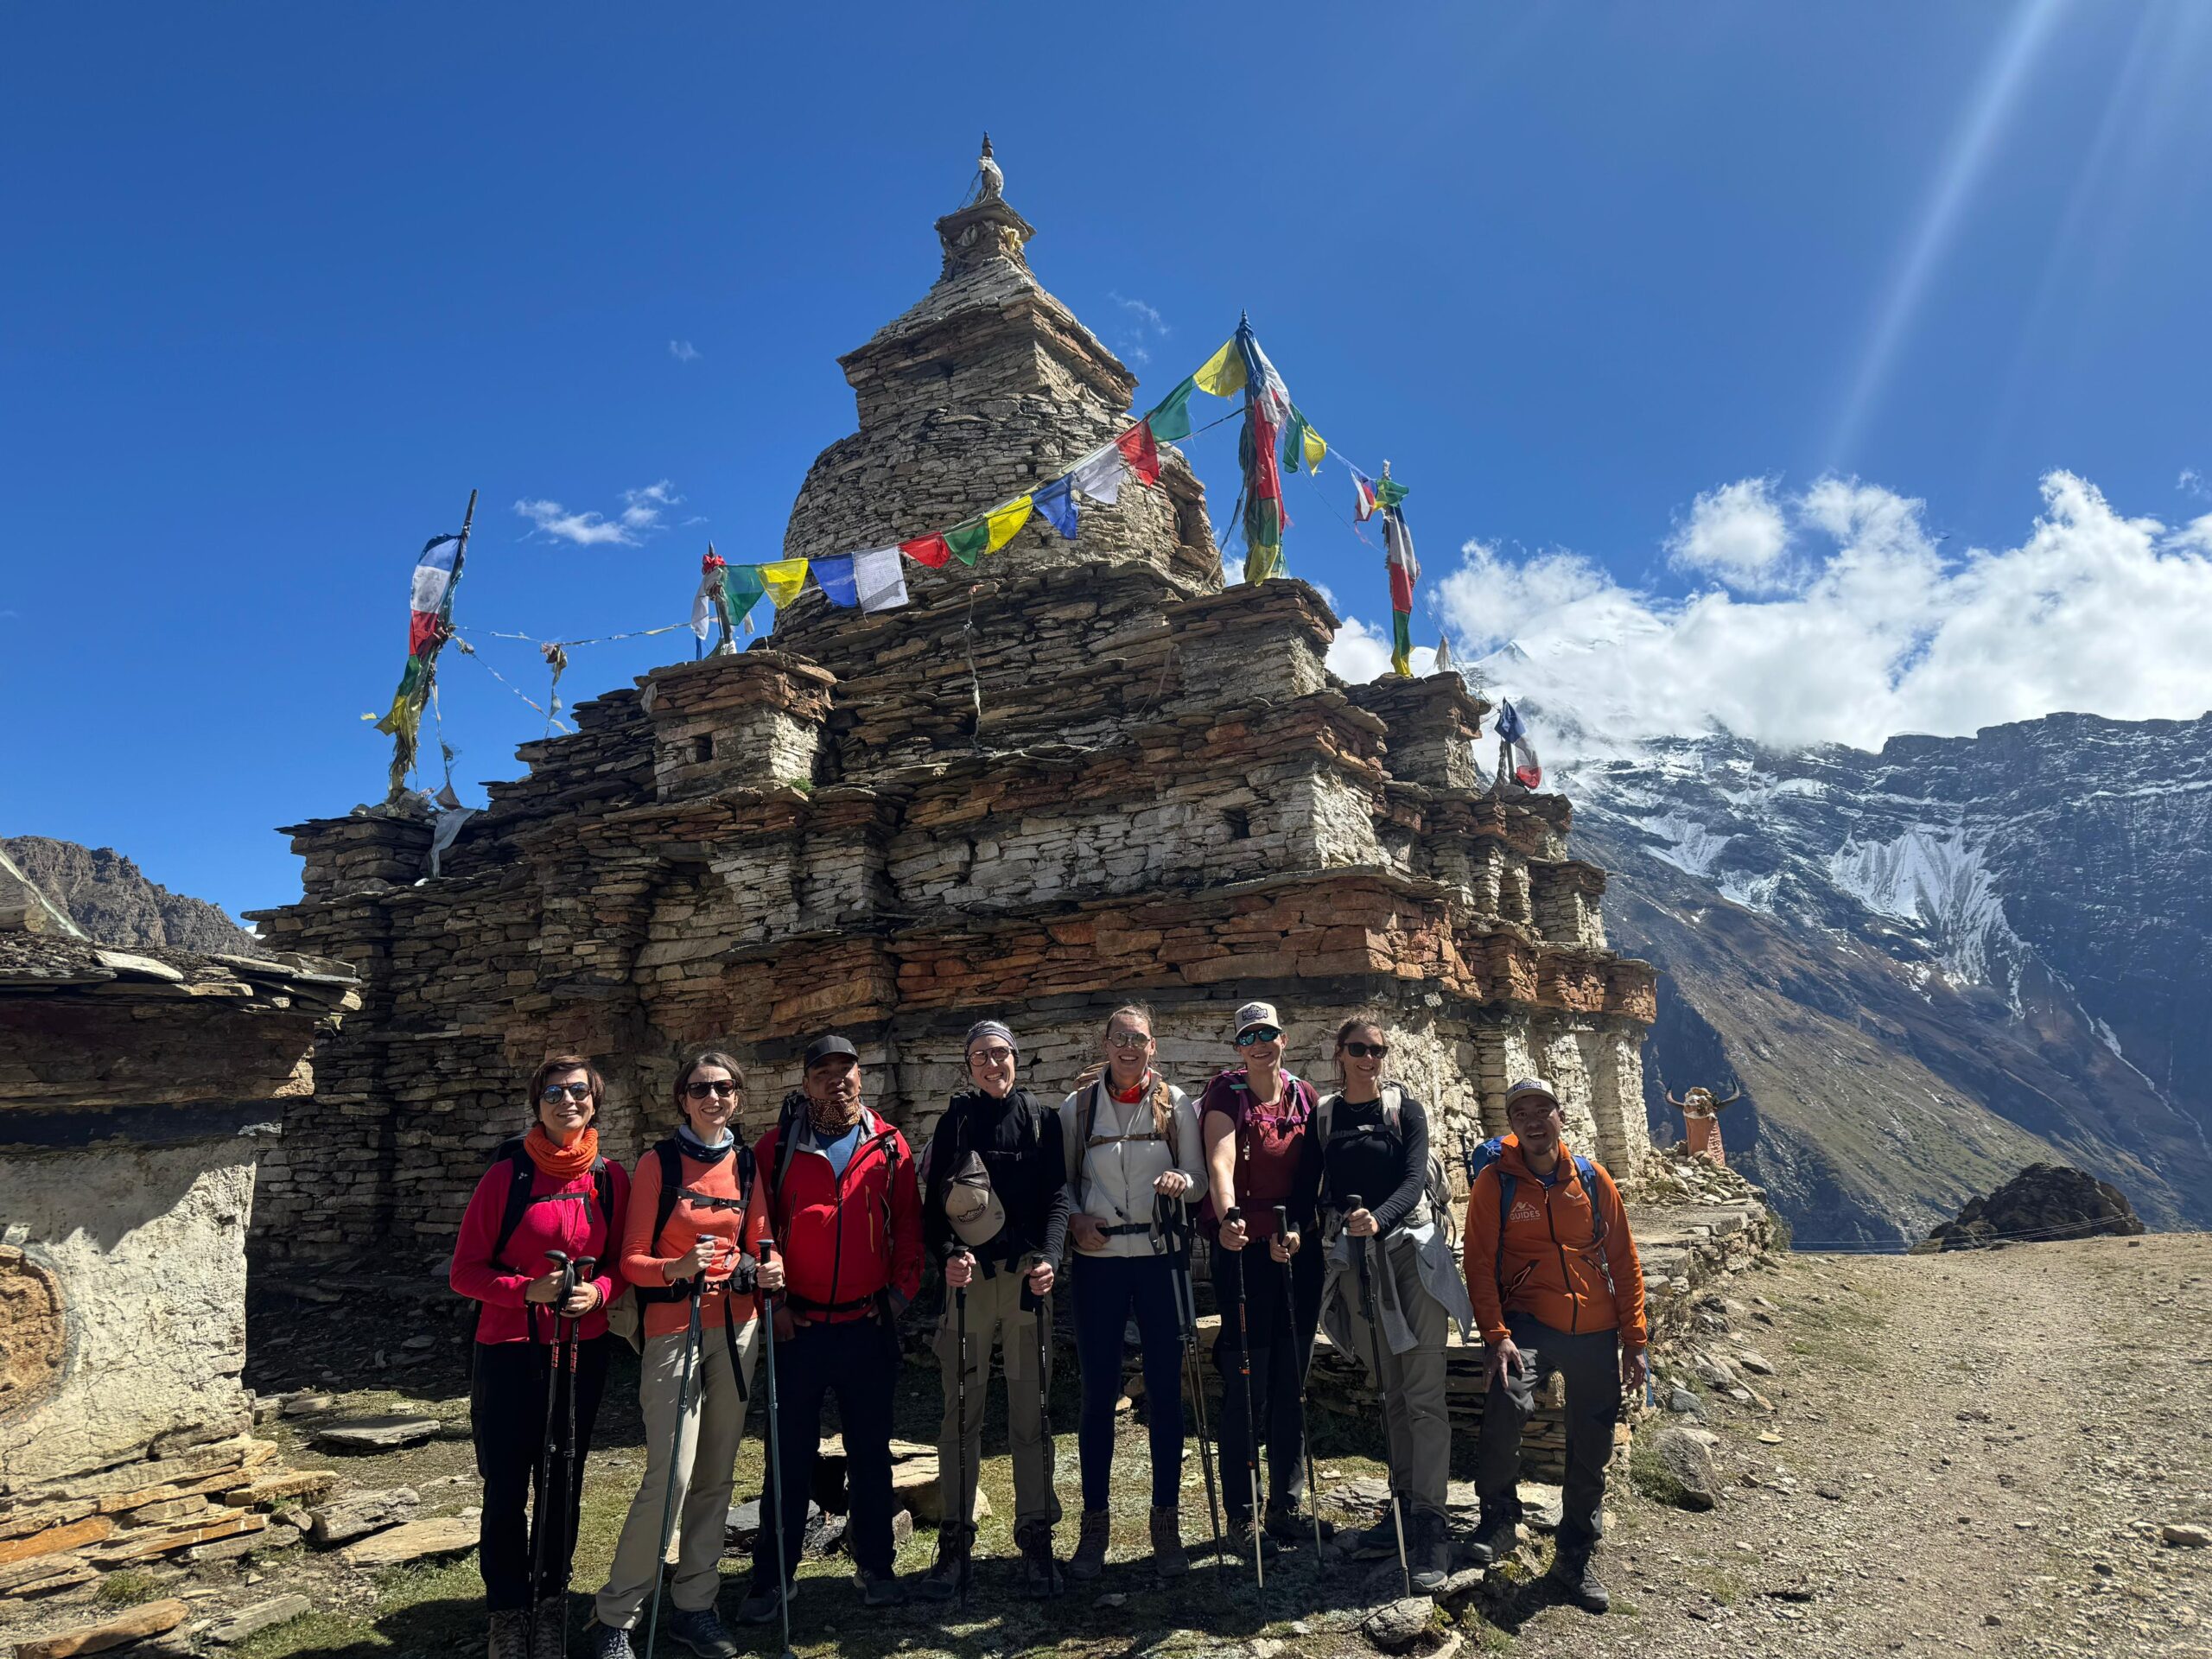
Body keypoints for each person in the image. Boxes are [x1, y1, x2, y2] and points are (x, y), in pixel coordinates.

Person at [591, 1052, 779, 1659]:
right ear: (683, 1098)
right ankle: (615, 1615)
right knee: (669, 1474)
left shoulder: (745, 1163)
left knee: (717, 1475)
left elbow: (760, 1243)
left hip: (739, 1327)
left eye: (724, 1088)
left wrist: (769, 1267)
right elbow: (631, 1260)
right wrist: (678, 1267)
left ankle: (694, 1606)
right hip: (675, 1328)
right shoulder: (659, 1163)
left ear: (739, 1097)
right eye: (701, 1088)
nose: (713, 1097)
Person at [451, 1056, 630, 1659]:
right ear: (538, 1103)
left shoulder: (609, 1179)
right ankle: (507, 1610)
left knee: (563, 1480)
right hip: (508, 1349)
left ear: (594, 1102)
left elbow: (619, 1266)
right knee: (506, 1483)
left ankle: (550, 1602)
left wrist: (597, 1293)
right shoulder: (508, 1177)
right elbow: (465, 1271)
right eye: (554, 1092)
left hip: (581, 1350)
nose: (567, 1101)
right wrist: (525, 1290)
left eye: (579, 1092)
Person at [741, 1035, 924, 1619]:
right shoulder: (774, 1150)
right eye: (824, 1074)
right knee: (787, 1456)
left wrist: (897, 1298)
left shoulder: (890, 1147)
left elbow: (910, 1234)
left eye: (847, 1072)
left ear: (862, 1079)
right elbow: (760, 1237)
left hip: (866, 1328)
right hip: (798, 1328)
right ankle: (774, 1578)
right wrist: (777, 1307)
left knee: (870, 1454)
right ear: (805, 1084)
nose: (837, 1083)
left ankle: (876, 1567)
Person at [1465, 1077, 1649, 1614]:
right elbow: (1478, 1264)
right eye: (1521, 1112)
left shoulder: (1591, 1179)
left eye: (1542, 1109)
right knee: (1505, 1399)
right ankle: (1499, 1518)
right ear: (1512, 1126)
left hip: (1595, 1329)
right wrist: (1496, 1335)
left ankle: (1574, 1556)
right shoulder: (1495, 1184)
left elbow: (1625, 1260)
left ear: (1560, 1116)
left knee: (1591, 1447)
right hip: (1531, 1324)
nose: (1533, 1120)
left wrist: (1634, 1340)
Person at [1313, 1017, 1476, 1591]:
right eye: (1358, 1049)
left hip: (1413, 1256)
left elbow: (1413, 1180)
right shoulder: (1326, 1116)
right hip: (1362, 1264)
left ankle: (1430, 1522)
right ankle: (1404, 1507)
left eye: (1378, 1050)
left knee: (1423, 1390)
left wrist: (1375, 1219)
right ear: (1340, 1053)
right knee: (1391, 1390)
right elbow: (1321, 1184)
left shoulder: (1404, 1110)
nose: (1370, 1059)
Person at [915, 1020, 1071, 1599]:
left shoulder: (1041, 1119)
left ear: (1016, 1058)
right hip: (969, 1286)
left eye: (1000, 1054)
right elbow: (932, 1207)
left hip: (1026, 1282)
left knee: (1030, 1412)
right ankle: (955, 1542)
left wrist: (1053, 1258)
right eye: (981, 1055)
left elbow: (1058, 1196)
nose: (992, 1064)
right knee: (961, 1411)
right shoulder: (956, 1121)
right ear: (968, 1064)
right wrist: (948, 1256)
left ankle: (1036, 1538)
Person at [1057, 1004, 1209, 1580]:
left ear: (1154, 1047)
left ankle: (1164, 1524)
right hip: (1099, 1262)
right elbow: (1064, 1185)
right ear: (1105, 1043)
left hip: (1159, 1260)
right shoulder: (1079, 1107)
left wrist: (1180, 1181)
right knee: (1098, 1395)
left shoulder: (1178, 1106)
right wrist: (1075, 1220)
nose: (1128, 1047)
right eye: (1119, 1038)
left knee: (1166, 1394)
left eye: (1139, 1039)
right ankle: (1093, 1528)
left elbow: (1195, 1182)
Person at [1199, 1000, 1325, 1551]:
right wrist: (1229, 1217)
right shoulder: (1226, 1094)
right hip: (1243, 1249)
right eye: (1249, 1036)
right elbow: (1220, 1160)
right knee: (1247, 1378)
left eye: (1268, 1034)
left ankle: (1287, 1504)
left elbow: (1311, 1175)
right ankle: (1241, 1511)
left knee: (1289, 1379)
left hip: (1295, 1249)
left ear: (1284, 1039)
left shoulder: (1304, 1097)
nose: (1260, 1044)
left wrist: (1296, 1229)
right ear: (1237, 1047)